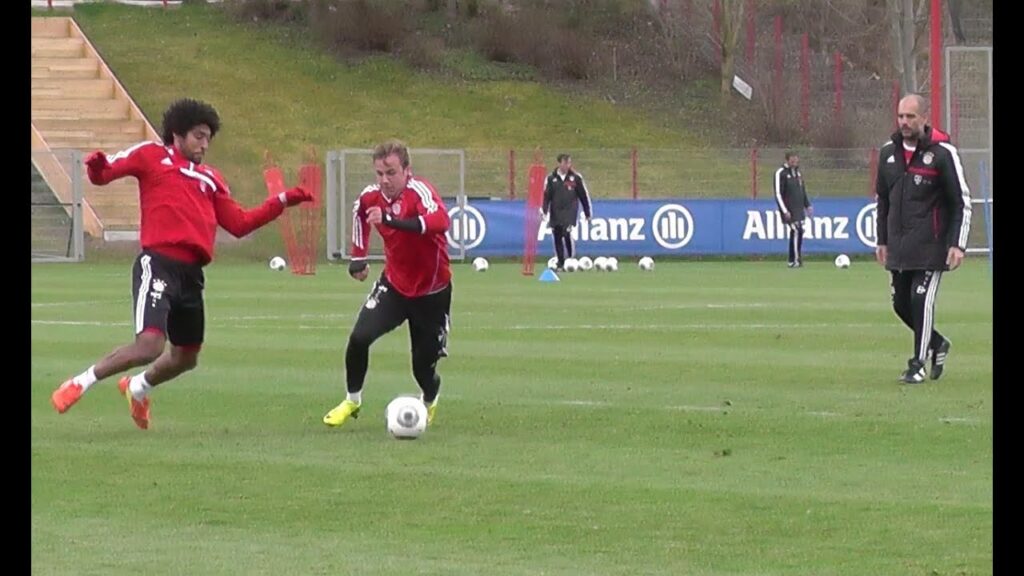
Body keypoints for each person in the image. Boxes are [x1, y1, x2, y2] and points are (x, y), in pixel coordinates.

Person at [49, 98, 313, 429]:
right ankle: (80, 382)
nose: (204, 144)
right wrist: (97, 166)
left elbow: (239, 223)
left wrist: (283, 200)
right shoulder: (151, 156)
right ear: (177, 134)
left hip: (191, 275)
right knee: (149, 345)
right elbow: (106, 173)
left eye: (207, 138)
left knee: (186, 357)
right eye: (198, 136)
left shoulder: (212, 178)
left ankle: (137, 387)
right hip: (158, 265)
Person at [322, 139, 452, 428]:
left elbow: (441, 221)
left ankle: (430, 399)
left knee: (422, 367)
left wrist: (392, 220)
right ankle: (352, 400)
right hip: (394, 286)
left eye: (391, 172)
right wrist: (359, 256)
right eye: (379, 173)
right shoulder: (372, 197)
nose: (384, 180)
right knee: (359, 338)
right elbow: (359, 212)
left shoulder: (420, 192)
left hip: (432, 293)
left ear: (407, 171)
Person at [875, 94, 971, 384]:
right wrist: (882, 240)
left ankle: (917, 365)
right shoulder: (887, 154)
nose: (904, 122)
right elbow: (883, 200)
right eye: (901, 116)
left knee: (921, 301)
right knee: (900, 305)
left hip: (932, 245)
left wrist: (958, 244)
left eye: (911, 117)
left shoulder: (942, 153)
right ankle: (937, 343)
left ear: (924, 118)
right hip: (900, 246)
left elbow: (961, 201)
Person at [541, 153, 592, 270]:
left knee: (566, 232)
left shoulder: (575, 178)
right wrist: (544, 210)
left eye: (569, 163)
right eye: (565, 163)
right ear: (560, 163)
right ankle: (560, 261)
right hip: (556, 211)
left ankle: (570, 259)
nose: (568, 165)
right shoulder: (551, 178)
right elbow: (547, 196)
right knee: (557, 235)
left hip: (570, 211)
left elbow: (583, 196)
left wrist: (587, 212)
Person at [774, 151, 813, 268]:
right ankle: (796, 260)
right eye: (792, 160)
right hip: (789, 210)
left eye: (796, 160)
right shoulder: (780, 173)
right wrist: (784, 210)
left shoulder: (798, 173)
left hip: (799, 209)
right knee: (796, 230)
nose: (795, 162)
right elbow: (778, 193)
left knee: (799, 231)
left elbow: (802, 191)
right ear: (787, 160)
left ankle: (792, 259)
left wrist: (807, 205)